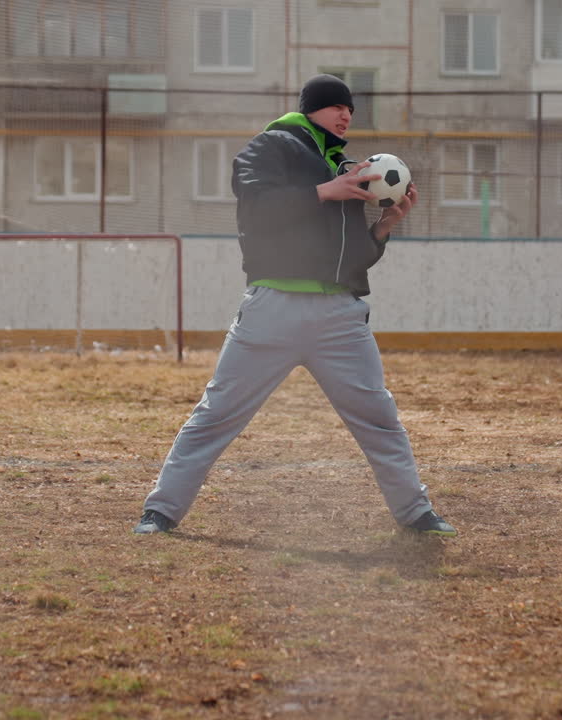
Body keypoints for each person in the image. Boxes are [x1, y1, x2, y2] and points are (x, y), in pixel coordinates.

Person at [133, 74, 456, 537]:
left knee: (379, 419)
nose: (346, 114)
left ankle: (416, 513)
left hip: (340, 317)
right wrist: (326, 191)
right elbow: (256, 204)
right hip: (273, 308)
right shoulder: (272, 146)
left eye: (351, 109)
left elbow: (352, 260)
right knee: (218, 413)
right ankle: (160, 512)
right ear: (310, 109)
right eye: (336, 105)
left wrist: (383, 227)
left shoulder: (344, 168)